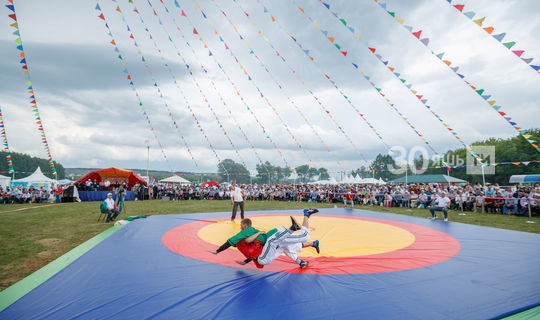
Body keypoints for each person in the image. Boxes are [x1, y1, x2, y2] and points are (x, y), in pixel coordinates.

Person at [210, 209, 320, 269]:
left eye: (241, 226)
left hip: (266, 255)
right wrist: (217, 251)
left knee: (285, 246)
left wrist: (245, 261)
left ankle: (302, 260)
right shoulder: (248, 237)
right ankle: (295, 227)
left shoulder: (249, 235)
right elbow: (242, 243)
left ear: (245, 225)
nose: (240, 227)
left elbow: (249, 250)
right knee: (279, 241)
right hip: (264, 256)